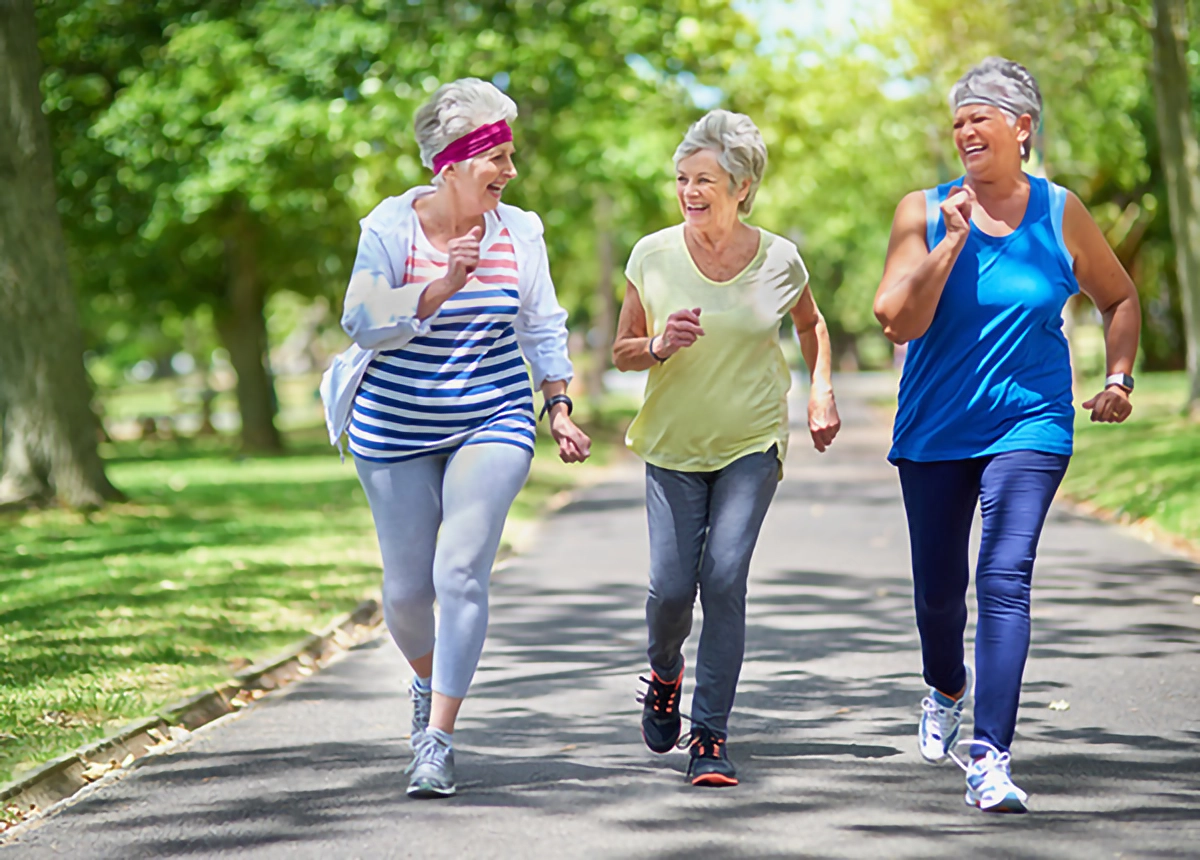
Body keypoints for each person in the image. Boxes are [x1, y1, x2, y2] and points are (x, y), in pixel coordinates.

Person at [874, 57, 1140, 813]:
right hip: (934, 429)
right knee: (938, 595)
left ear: (1022, 129)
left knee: (1004, 576)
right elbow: (895, 318)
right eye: (957, 120)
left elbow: (1118, 298)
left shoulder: (1060, 212)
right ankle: (945, 684)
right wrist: (950, 243)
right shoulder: (921, 211)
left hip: (1033, 422)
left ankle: (989, 755)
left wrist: (1118, 378)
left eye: (979, 116)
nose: (964, 130)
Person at [320, 77, 592, 800]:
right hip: (395, 423)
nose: (509, 171)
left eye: (510, 156)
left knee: (460, 571)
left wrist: (557, 404)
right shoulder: (389, 227)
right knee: (407, 591)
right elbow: (360, 318)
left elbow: (540, 323)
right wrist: (440, 284)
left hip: (491, 415)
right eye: (495, 157)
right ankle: (424, 678)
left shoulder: (520, 231)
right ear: (450, 161)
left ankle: (436, 739)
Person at [612, 109, 841, 787]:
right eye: (682, 178)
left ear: (741, 186)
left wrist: (820, 390)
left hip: (750, 441)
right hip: (673, 445)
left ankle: (709, 735)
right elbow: (622, 351)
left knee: (724, 577)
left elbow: (812, 324)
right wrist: (656, 345)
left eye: (704, 178)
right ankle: (664, 673)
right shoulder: (651, 255)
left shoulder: (779, 259)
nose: (689, 189)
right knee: (669, 589)